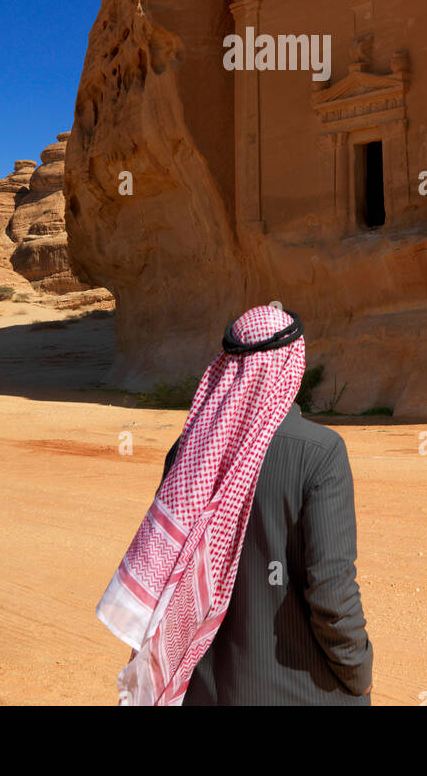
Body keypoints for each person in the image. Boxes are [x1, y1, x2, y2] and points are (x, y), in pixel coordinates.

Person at [96, 303, 373, 706]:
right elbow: (331, 593)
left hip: (204, 692)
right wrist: (358, 672)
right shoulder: (321, 452)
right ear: (292, 365)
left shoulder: (189, 452)